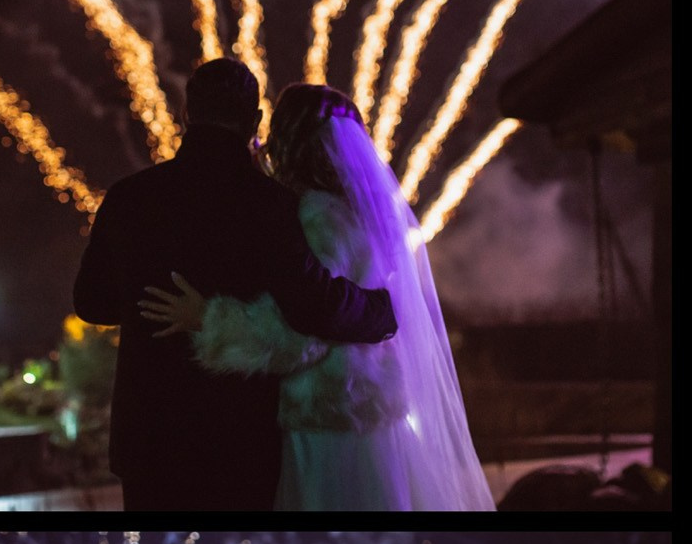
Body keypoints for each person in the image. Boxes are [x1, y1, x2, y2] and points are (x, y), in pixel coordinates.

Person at [136, 81, 496, 511]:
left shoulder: (316, 216)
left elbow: (305, 327)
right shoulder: (365, 218)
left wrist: (210, 320)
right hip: (370, 417)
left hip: (328, 423)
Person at [73, 57, 398, 512]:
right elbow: (311, 306)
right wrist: (384, 311)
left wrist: (147, 299)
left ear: (186, 114)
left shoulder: (128, 197)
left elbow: (92, 303)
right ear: (255, 121)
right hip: (239, 437)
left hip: (148, 438)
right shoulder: (273, 204)